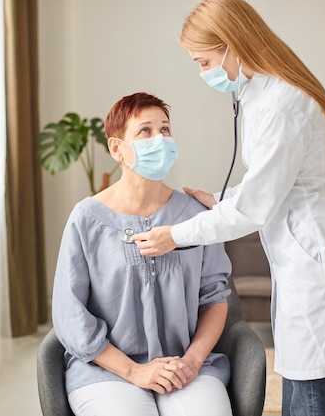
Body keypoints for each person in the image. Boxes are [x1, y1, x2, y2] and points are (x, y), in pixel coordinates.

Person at [131, 0, 325, 415]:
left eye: (204, 61)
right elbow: (273, 183)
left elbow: (257, 208)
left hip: (316, 261)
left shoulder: (282, 103)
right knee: (304, 380)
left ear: (232, 44)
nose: (203, 73)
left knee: (312, 391)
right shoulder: (260, 92)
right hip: (302, 252)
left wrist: (173, 236)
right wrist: (222, 200)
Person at [52, 92, 234, 416]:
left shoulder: (196, 216)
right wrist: (135, 371)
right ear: (117, 149)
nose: (159, 138)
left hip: (185, 367)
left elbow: (215, 300)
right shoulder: (86, 219)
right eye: (145, 131)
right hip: (107, 371)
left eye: (165, 129)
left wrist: (191, 362)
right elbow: (70, 316)